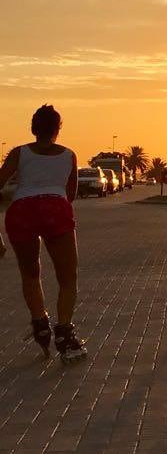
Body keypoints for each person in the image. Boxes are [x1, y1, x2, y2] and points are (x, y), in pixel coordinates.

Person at [0, 105, 88, 362]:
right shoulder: (69, 155)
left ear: (33, 127)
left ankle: (40, 322)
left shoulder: (19, 153)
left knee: (30, 273)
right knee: (67, 277)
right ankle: (64, 333)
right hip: (55, 208)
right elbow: (70, 195)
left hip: (22, 211)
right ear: (57, 129)